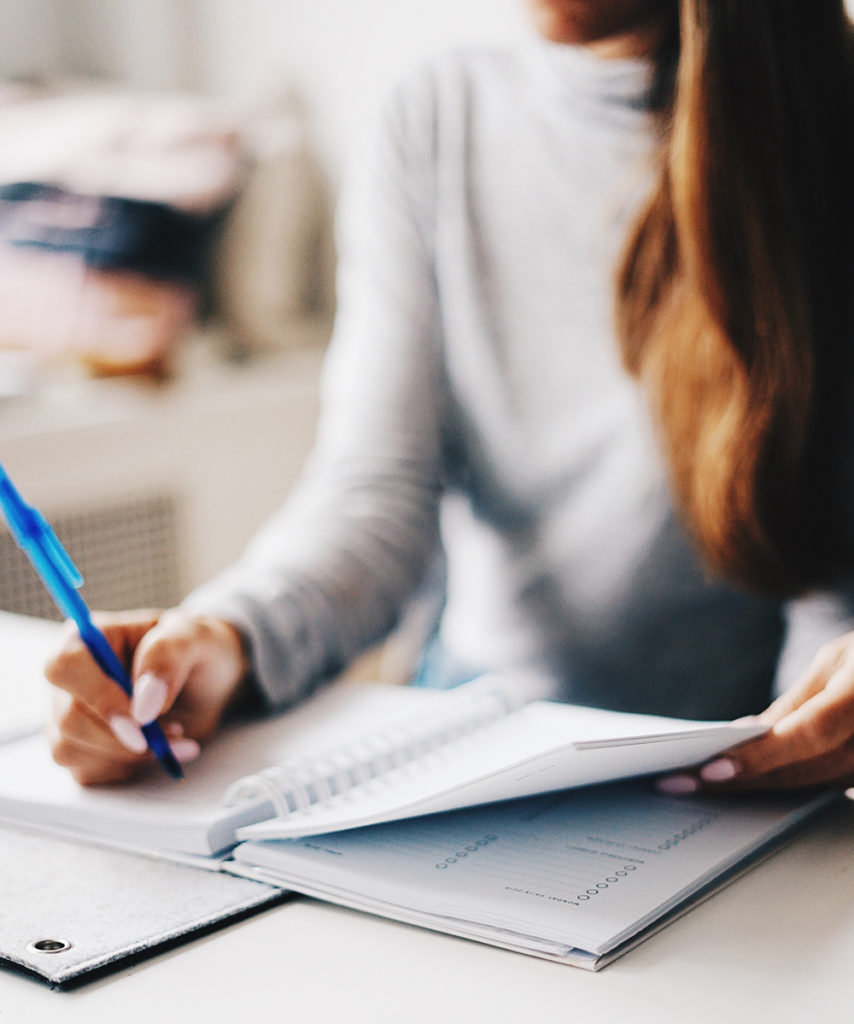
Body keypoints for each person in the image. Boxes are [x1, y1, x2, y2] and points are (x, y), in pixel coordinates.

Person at [45, 0, 854, 796]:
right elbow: (376, 494)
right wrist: (225, 637)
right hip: (474, 762)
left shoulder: (829, 125)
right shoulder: (436, 116)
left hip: (753, 795)